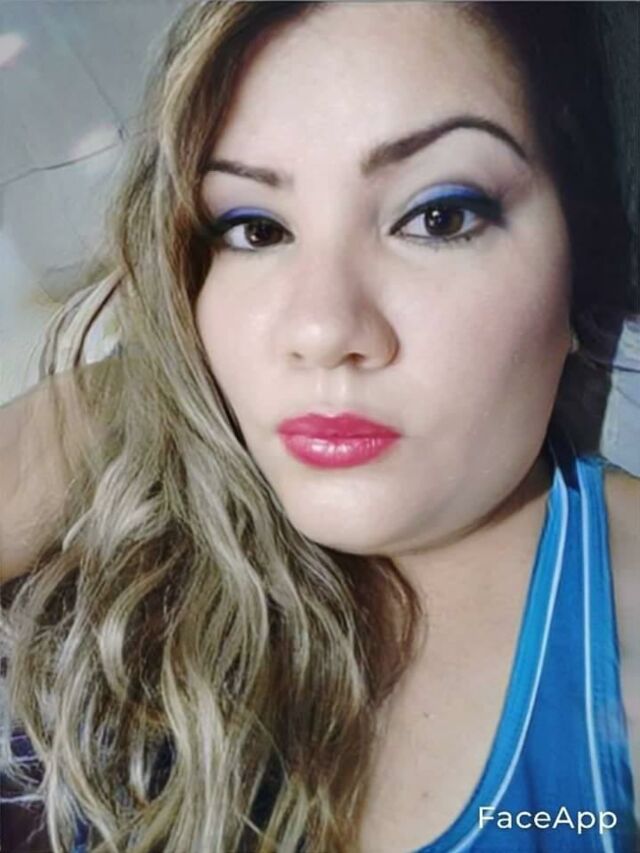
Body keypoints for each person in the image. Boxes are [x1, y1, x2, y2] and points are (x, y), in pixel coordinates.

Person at [0, 2, 638, 851]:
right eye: (255, 228)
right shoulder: (145, 462)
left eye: (439, 215)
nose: (322, 328)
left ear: (580, 261)